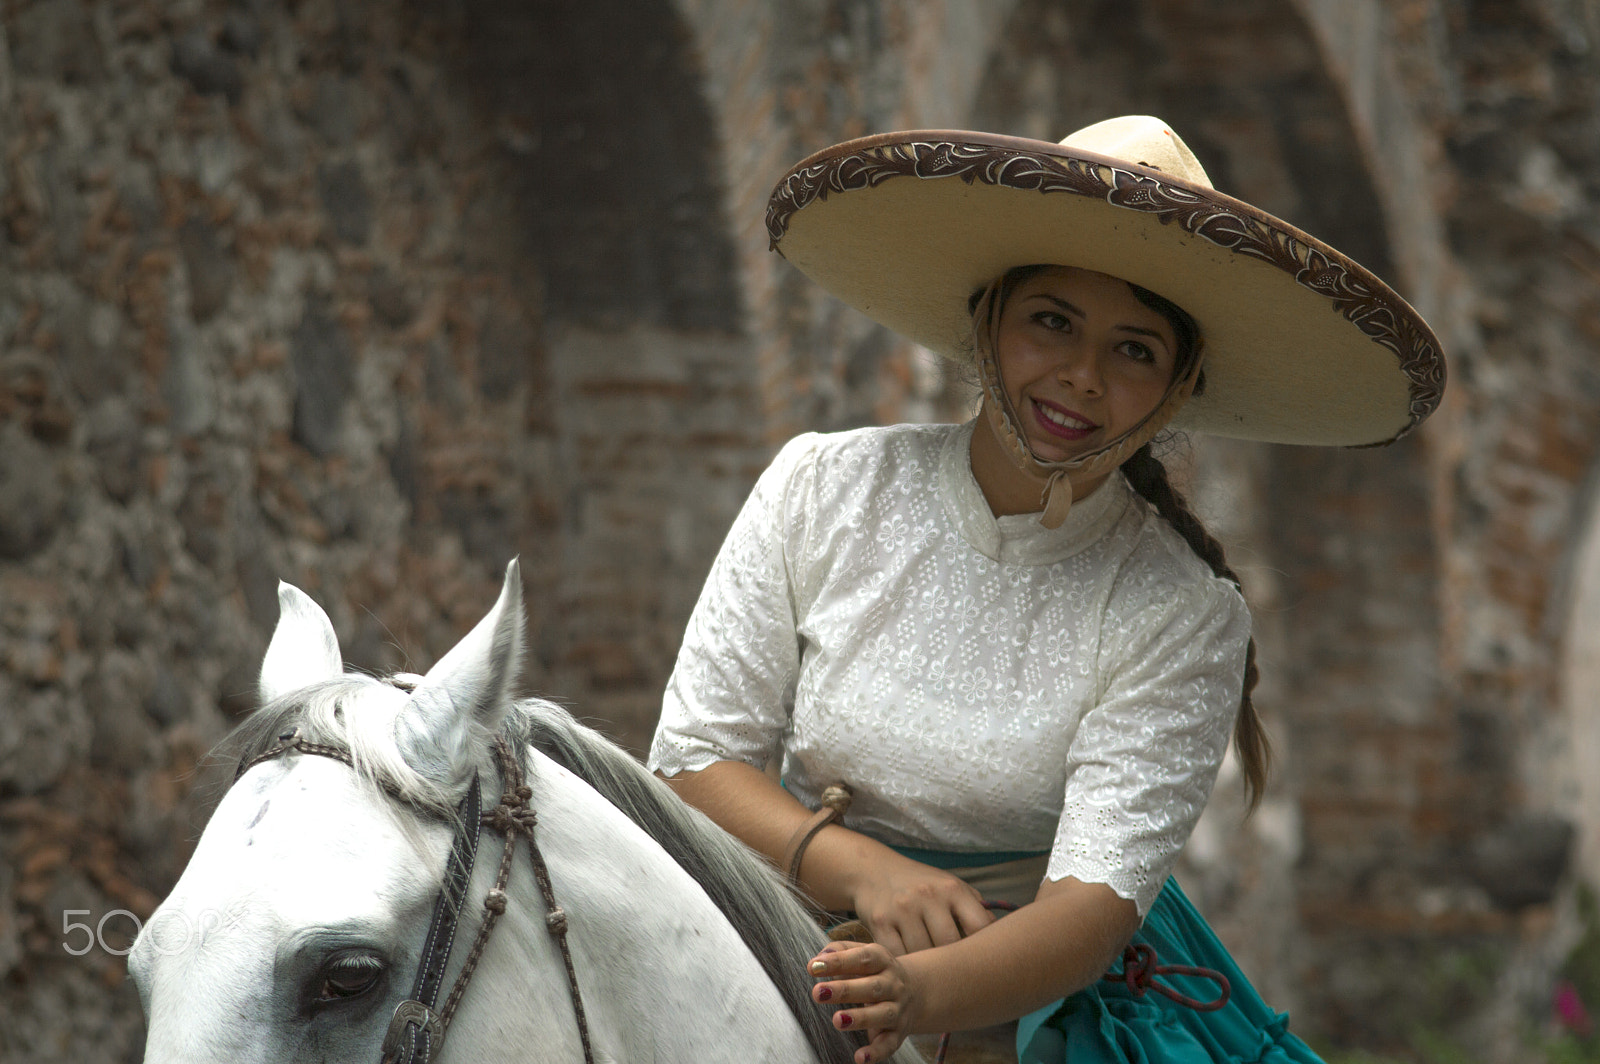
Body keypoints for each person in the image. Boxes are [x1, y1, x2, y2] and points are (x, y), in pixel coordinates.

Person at [647, 116, 1444, 1064]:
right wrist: (864, 871)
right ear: (988, 318)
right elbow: (694, 761)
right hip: (767, 920)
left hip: (1021, 988)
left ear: (1179, 385)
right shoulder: (823, 487)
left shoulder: (1182, 616)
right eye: (1052, 322)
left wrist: (915, 990)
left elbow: (1090, 911)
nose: (1081, 376)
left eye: (1135, 349)